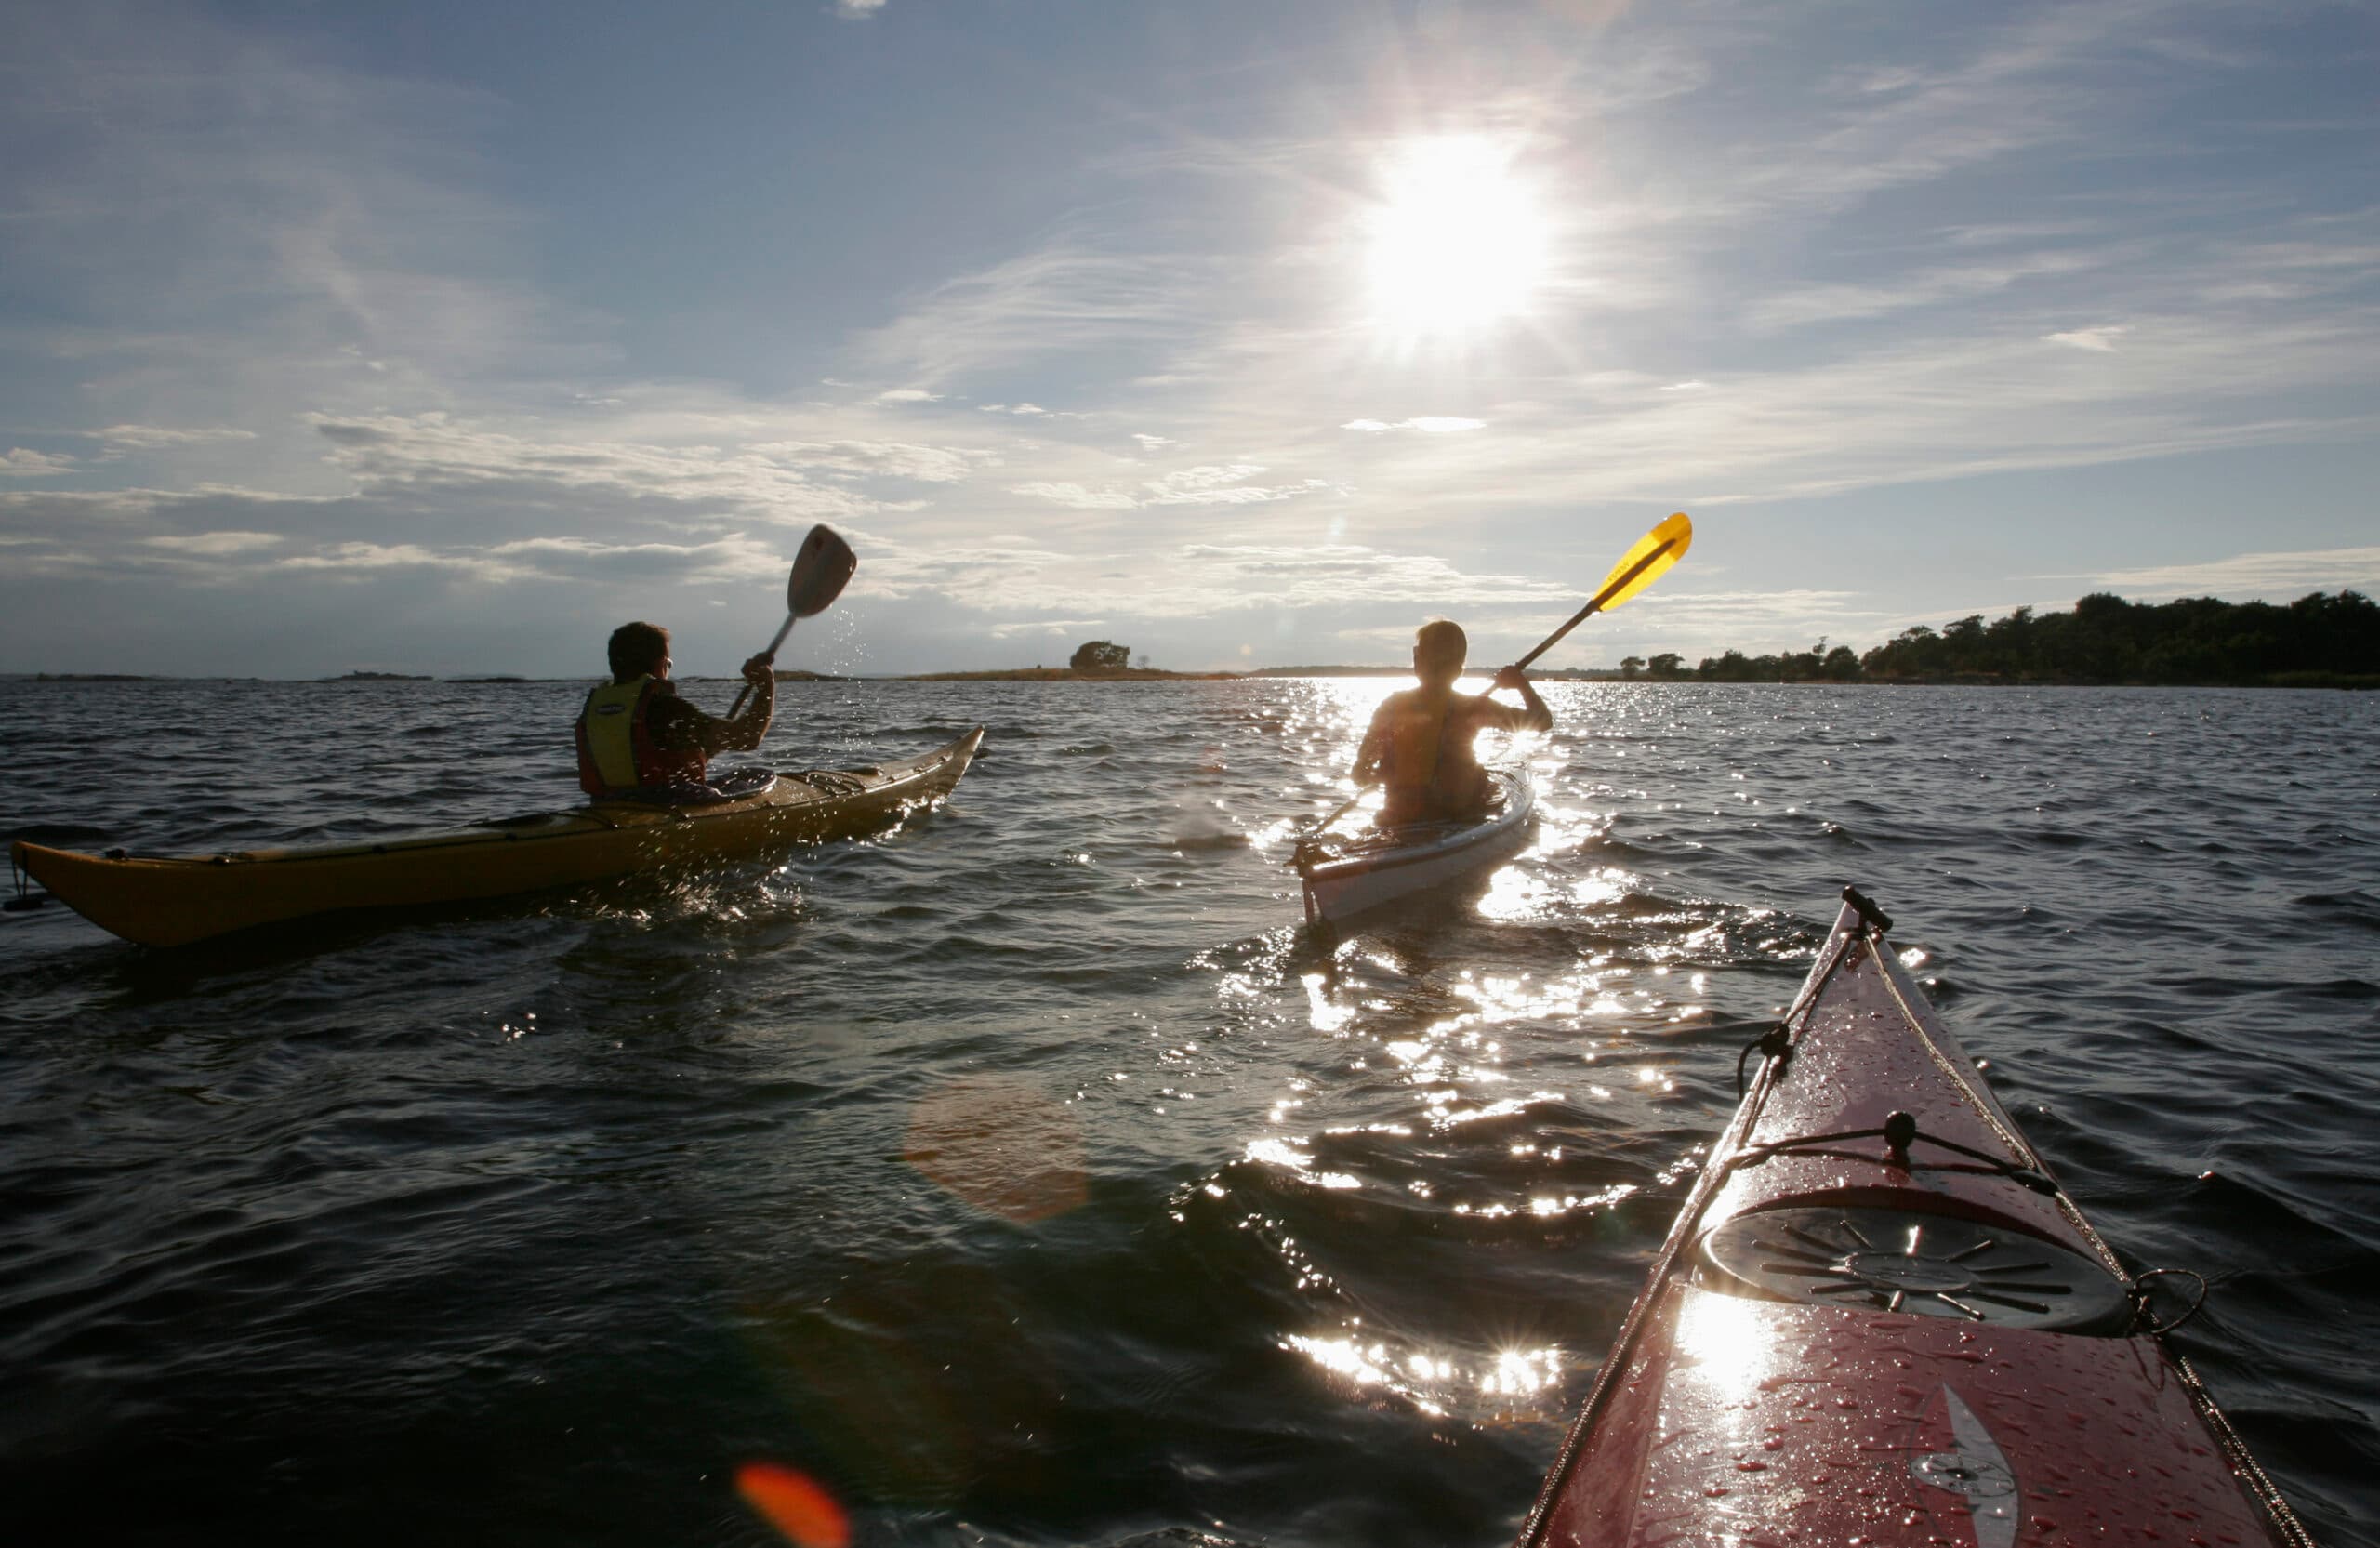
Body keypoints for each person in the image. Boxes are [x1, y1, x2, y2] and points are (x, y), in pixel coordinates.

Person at [1351, 619, 1552, 827]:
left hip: (1401, 816)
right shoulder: (1475, 708)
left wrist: (1377, 775)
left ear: (1417, 662)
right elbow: (1543, 721)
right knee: (1482, 781)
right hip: (1458, 815)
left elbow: (1359, 775)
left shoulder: (1391, 707)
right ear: (1459, 669)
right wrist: (1521, 685)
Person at [575, 621, 775, 799]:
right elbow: (748, 737)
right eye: (669, 664)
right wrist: (766, 685)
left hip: (607, 805)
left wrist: (703, 749)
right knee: (759, 777)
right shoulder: (664, 708)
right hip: (668, 806)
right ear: (661, 664)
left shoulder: (592, 710)